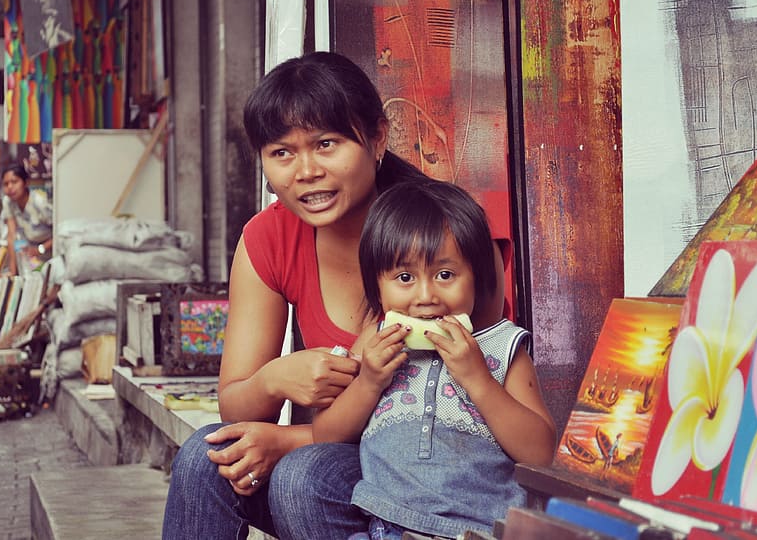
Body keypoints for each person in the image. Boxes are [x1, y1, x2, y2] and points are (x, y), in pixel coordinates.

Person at [162, 51, 508, 539]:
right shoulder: (269, 238)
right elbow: (237, 407)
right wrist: (276, 380)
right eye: (282, 152)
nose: (306, 171)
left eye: (326, 144)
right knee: (207, 455)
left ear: (378, 138)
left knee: (305, 475)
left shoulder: (445, 235)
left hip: (436, 465)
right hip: (335, 450)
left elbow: (476, 402)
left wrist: (289, 440)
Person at [311, 180, 556, 539]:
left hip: (477, 531)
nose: (425, 296)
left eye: (445, 275)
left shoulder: (502, 347)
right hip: (386, 528)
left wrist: (478, 379)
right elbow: (325, 435)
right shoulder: (377, 346)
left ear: (477, 278)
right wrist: (368, 383)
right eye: (405, 277)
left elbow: (541, 453)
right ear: (376, 287)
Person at [0, 163, 53, 275]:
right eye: (6, 184)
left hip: (51, 253)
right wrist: (13, 273)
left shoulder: (39, 202)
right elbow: (11, 236)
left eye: (14, 182)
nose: (10, 187)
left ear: (26, 183)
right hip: (32, 257)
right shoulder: (8, 202)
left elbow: (58, 232)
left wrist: (40, 249)